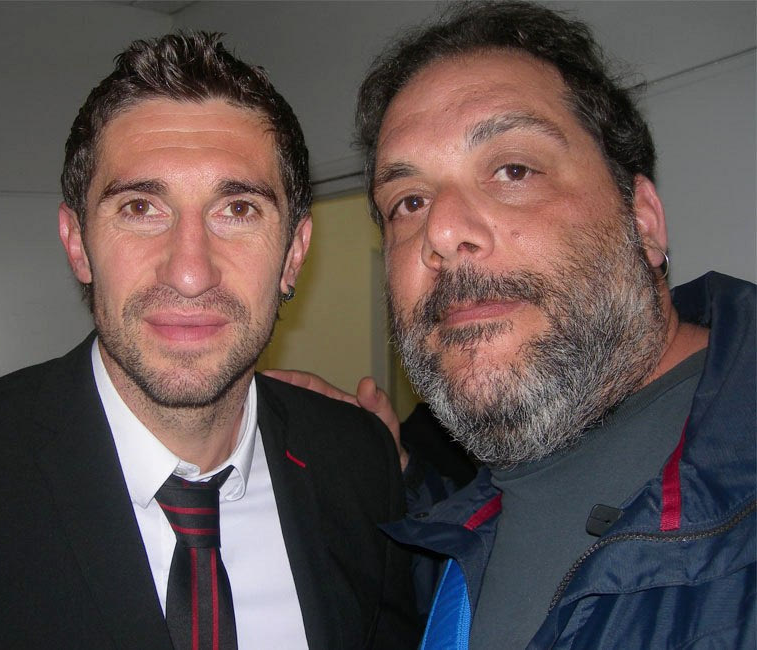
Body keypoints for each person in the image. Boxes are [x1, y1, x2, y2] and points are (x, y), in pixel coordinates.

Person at [0, 32, 418, 649]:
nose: (190, 272)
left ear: (293, 253)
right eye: (139, 208)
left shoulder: (360, 462)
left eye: (238, 209)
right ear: (77, 243)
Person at [280, 2, 755, 647]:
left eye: (513, 171)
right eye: (409, 202)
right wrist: (394, 481)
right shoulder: (463, 530)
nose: (441, 232)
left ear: (642, 220)